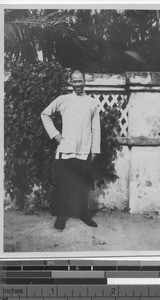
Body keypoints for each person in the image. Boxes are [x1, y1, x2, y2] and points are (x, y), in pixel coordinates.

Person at [41, 70, 101, 231]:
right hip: (66, 150)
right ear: (70, 82)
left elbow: (96, 128)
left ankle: (83, 214)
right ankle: (61, 216)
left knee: (82, 185)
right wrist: (55, 135)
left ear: (85, 81)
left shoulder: (92, 103)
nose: (78, 84)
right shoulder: (63, 100)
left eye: (80, 81)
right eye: (74, 81)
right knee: (63, 185)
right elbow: (45, 114)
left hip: (84, 151)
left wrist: (94, 149)